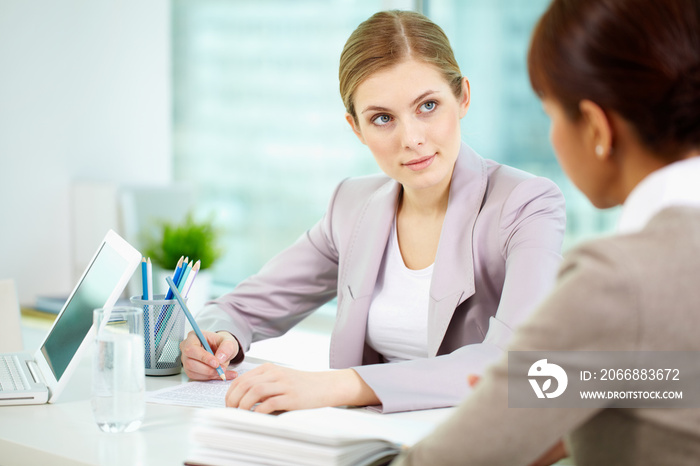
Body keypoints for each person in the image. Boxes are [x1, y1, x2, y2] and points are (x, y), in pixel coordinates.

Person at [180, 10, 566, 414]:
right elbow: (240, 308)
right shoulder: (352, 205)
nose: (412, 139)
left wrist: (336, 386)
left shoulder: (526, 203)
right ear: (356, 128)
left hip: (477, 440)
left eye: (428, 106)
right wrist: (217, 337)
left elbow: (512, 363)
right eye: (382, 118)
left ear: (463, 97)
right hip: (371, 439)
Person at [392, 0, 700, 464]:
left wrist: (511, 417)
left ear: (597, 127)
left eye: (551, 113)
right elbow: (680, 381)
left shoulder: (617, 281)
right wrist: (565, 401)